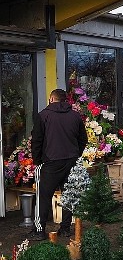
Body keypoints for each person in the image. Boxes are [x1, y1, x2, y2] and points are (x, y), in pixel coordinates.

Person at [29, 88, 88, 240]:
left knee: (43, 196)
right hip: (71, 160)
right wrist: (76, 154)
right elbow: (83, 139)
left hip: (50, 161)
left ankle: (39, 230)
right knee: (68, 195)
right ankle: (65, 229)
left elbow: (37, 141)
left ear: (51, 99)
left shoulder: (43, 116)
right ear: (65, 100)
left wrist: (37, 161)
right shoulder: (75, 117)